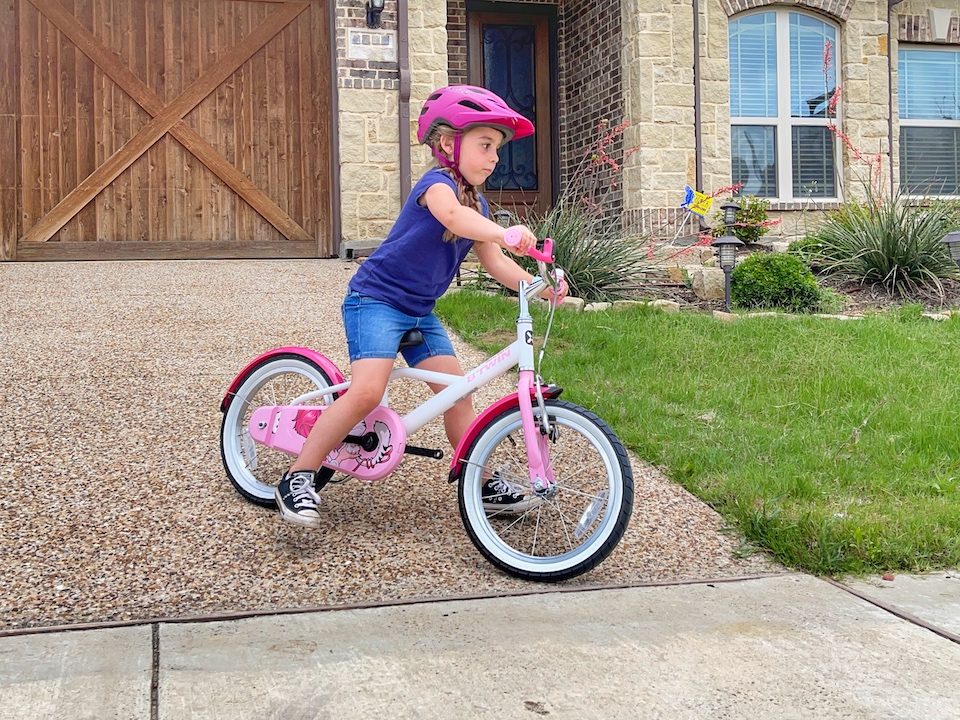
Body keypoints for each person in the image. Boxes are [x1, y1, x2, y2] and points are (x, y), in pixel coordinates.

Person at [275, 85, 567, 528]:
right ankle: (298, 477)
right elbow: (452, 218)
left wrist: (541, 286)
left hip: (419, 311)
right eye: (485, 145)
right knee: (368, 391)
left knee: (457, 392)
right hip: (376, 300)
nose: (493, 158)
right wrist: (502, 231)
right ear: (449, 144)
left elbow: (495, 263)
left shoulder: (478, 203)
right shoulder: (437, 186)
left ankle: (482, 481)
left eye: (497, 150)